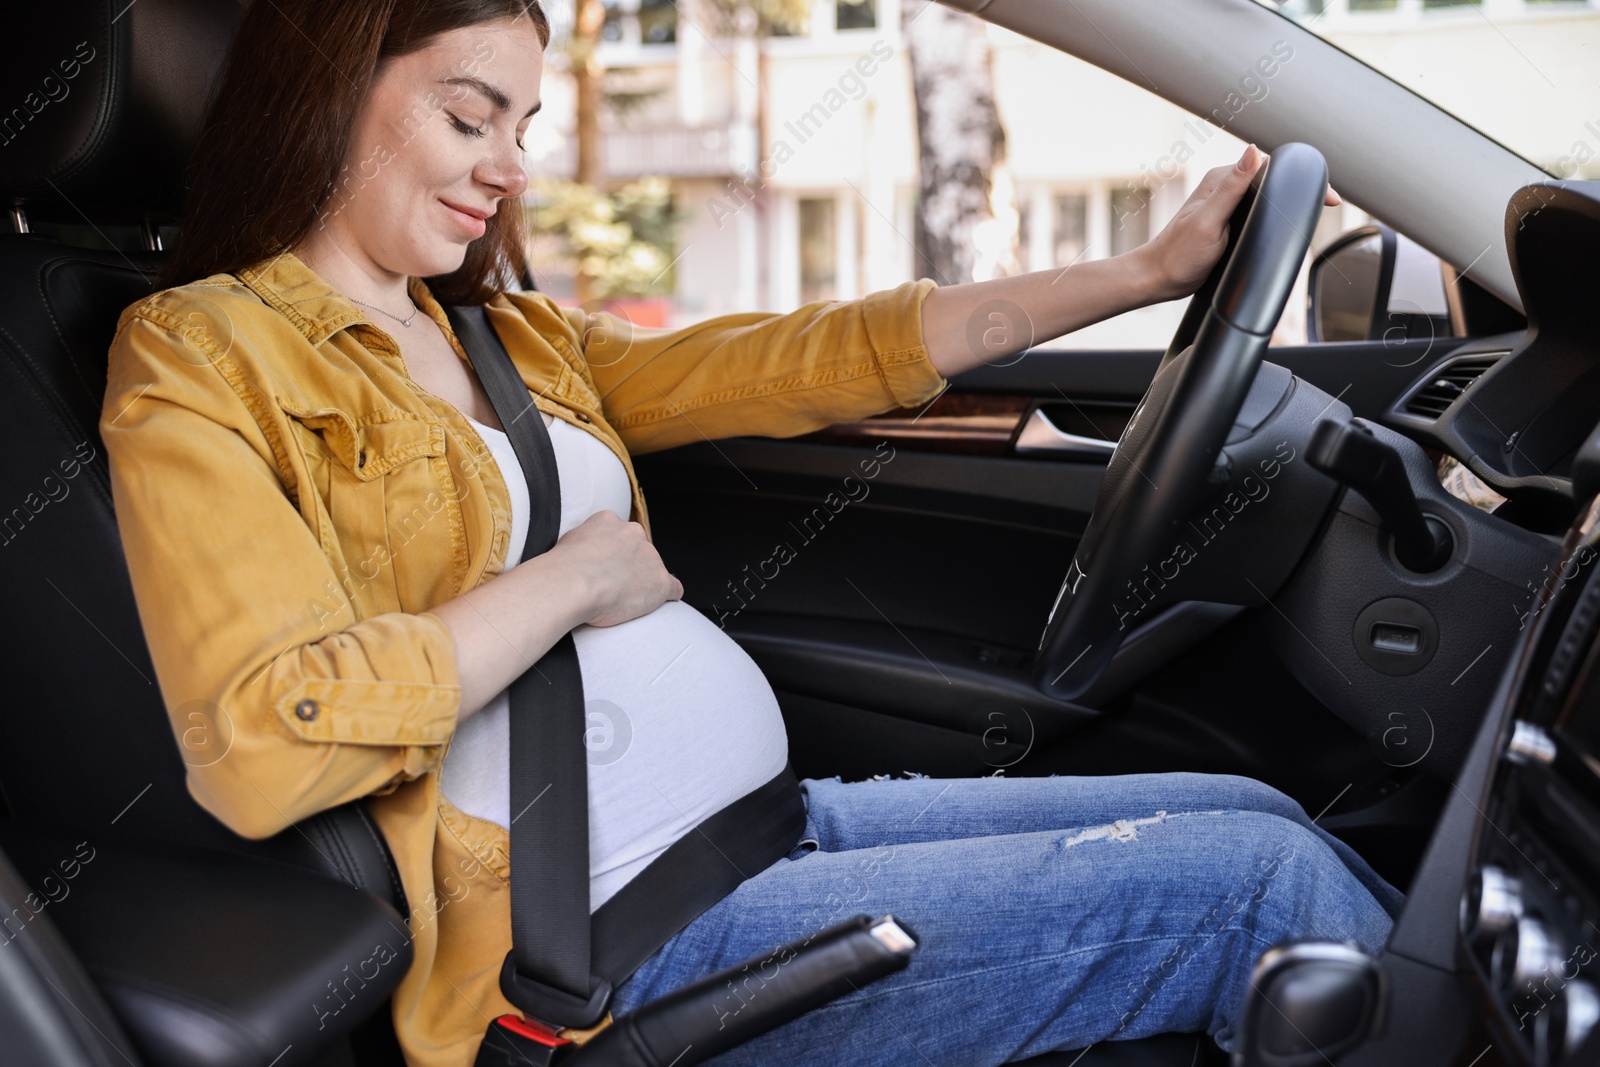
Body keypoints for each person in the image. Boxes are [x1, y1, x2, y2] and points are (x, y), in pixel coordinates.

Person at [99, 1, 1396, 1064]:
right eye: (466, 115)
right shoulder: (203, 352)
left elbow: (810, 357)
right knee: (1261, 893)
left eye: (525, 125)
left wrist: (1138, 275)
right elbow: (264, 741)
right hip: (600, 939)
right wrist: (572, 580)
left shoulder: (510, 337)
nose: (510, 165)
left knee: (1253, 809)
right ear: (329, 93)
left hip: (764, 832)